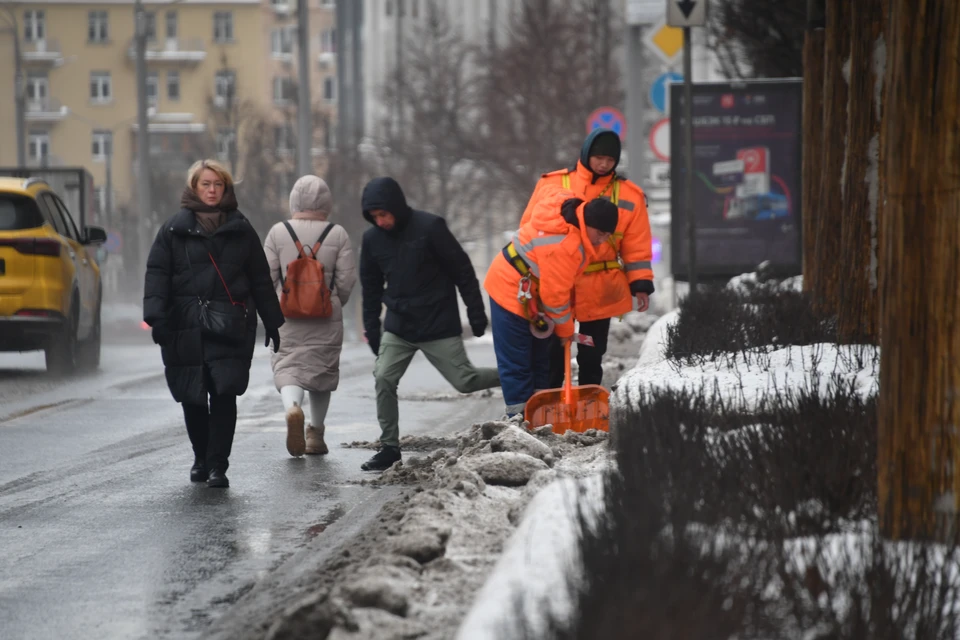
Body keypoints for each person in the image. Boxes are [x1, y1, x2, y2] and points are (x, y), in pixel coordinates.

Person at [143, 159, 284, 489]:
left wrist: (273, 322)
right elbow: (157, 276)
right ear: (194, 187)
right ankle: (201, 457)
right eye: (205, 184)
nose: (211, 190)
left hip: (230, 326)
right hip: (184, 325)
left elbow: (260, 279)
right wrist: (156, 318)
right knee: (192, 395)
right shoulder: (173, 230)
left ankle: (218, 464)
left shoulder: (241, 228)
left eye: (217, 184)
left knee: (224, 394)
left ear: (226, 188)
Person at [359, 177, 500, 472]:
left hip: (437, 323)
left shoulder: (430, 228)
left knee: (466, 381)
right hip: (399, 326)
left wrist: (476, 313)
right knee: (383, 377)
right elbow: (370, 288)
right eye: (374, 217)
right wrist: (372, 328)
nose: (380, 221)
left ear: (396, 208)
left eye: (384, 214)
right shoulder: (372, 240)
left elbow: (462, 270)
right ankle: (389, 448)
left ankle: (520, 377)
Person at [520, 128, 654, 387]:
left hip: (600, 285)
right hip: (559, 281)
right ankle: (551, 398)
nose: (604, 164)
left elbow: (636, 242)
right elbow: (529, 228)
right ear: (586, 154)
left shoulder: (630, 195)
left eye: (610, 160)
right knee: (553, 350)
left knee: (593, 351)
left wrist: (641, 282)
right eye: (598, 157)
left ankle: (589, 396)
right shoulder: (553, 183)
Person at [485, 186, 620, 417]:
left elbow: (553, 190)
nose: (603, 240)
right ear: (586, 221)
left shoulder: (571, 212)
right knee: (518, 361)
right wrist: (566, 331)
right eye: (600, 233)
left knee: (540, 359)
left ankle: (540, 415)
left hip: (531, 293)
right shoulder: (565, 245)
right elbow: (555, 297)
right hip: (509, 290)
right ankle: (519, 420)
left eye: (608, 235)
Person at [264, 176, 357, 458]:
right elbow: (347, 279)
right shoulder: (337, 233)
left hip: (286, 315)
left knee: (288, 366)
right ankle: (316, 434)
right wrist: (335, 300)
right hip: (325, 315)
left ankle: (293, 407)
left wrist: (276, 302)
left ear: (294, 201)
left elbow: (265, 276)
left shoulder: (278, 232)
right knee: (322, 373)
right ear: (327, 202)